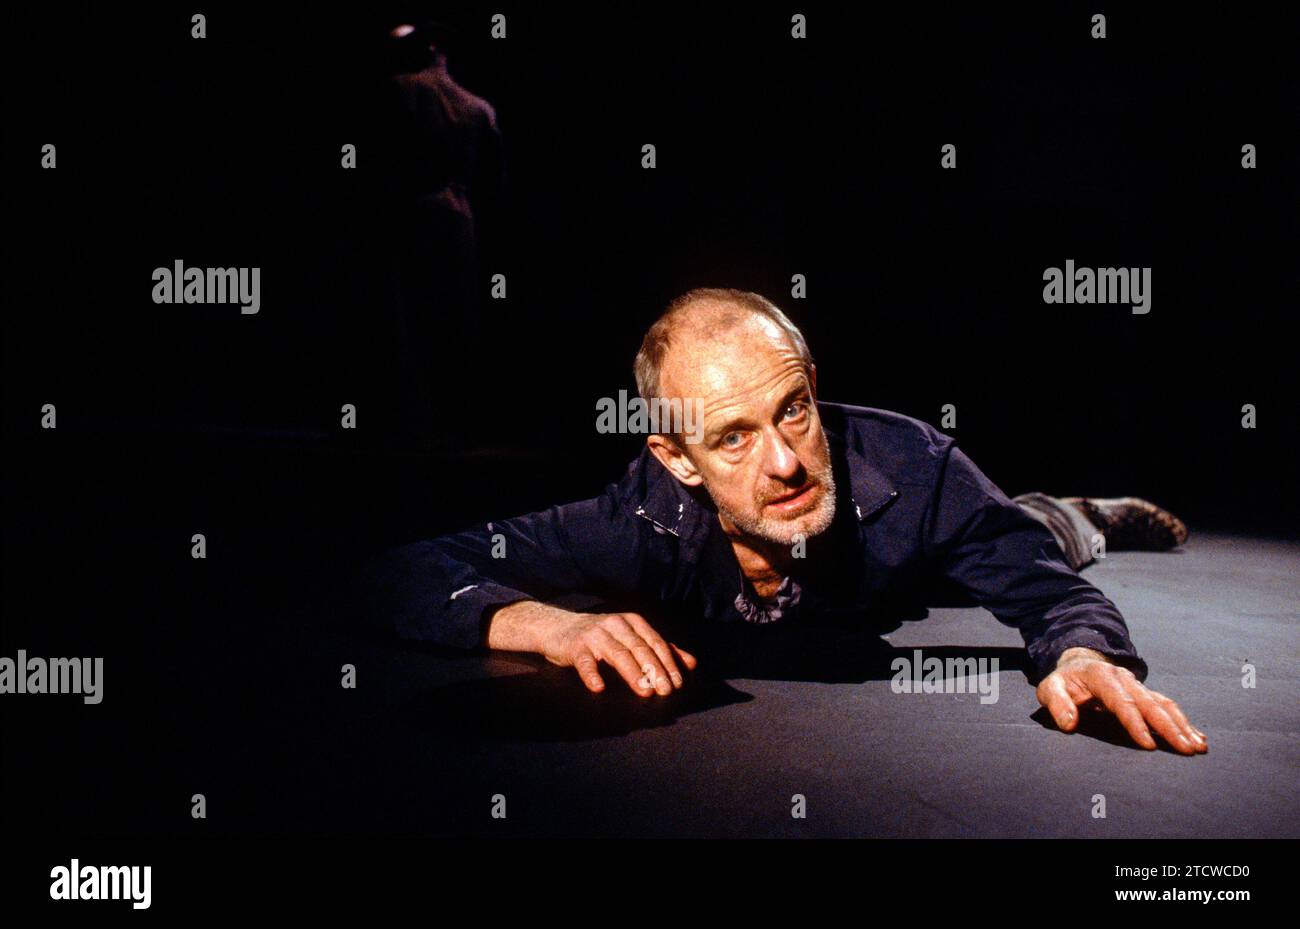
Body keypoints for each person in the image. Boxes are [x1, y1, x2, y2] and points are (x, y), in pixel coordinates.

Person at [361, 288, 1207, 756]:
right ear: (678, 458)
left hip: (911, 562)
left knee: (1042, 531)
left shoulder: (912, 469)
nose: (785, 463)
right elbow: (401, 567)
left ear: (811, 380)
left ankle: (1088, 508)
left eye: (793, 410)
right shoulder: (635, 518)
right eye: (732, 436)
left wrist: (1086, 654)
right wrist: (542, 622)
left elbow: (1052, 600)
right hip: (848, 597)